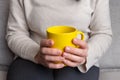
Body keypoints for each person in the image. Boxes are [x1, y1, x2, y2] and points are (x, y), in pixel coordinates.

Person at [6, 0, 112, 80]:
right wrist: (37, 54)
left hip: (79, 62)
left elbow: (103, 33)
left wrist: (86, 54)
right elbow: (15, 33)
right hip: (31, 58)